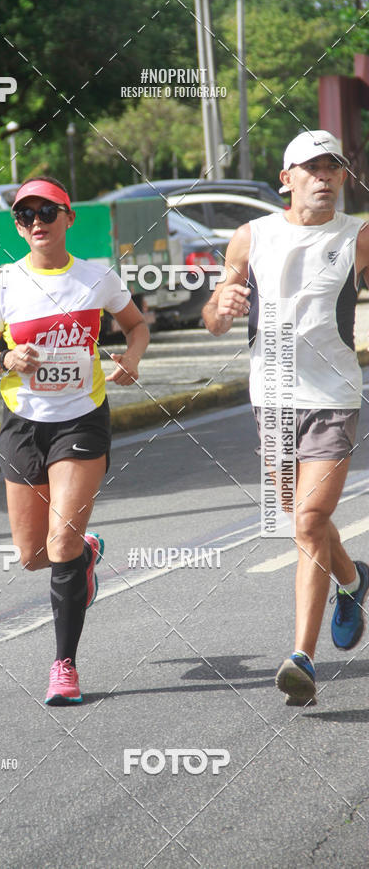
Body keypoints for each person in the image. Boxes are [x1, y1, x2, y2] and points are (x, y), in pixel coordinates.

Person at [0, 176, 149, 704]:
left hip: (81, 419)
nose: (37, 223)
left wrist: (131, 359)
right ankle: (84, 558)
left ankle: (64, 665)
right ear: (18, 227)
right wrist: (6, 359)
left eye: (47, 212)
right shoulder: (4, 285)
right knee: (32, 554)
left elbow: (136, 326)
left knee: (61, 543)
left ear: (68, 217)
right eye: (26, 216)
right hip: (22, 424)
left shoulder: (96, 277)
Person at [202, 130, 369, 706]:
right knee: (307, 520)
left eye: (333, 168)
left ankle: (301, 657)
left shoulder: (358, 236)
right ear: (287, 178)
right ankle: (352, 582)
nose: (324, 177)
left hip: (333, 397)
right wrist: (219, 308)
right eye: (312, 168)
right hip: (271, 399)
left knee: (305, 522)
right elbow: (216, 319)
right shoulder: (250, 238)